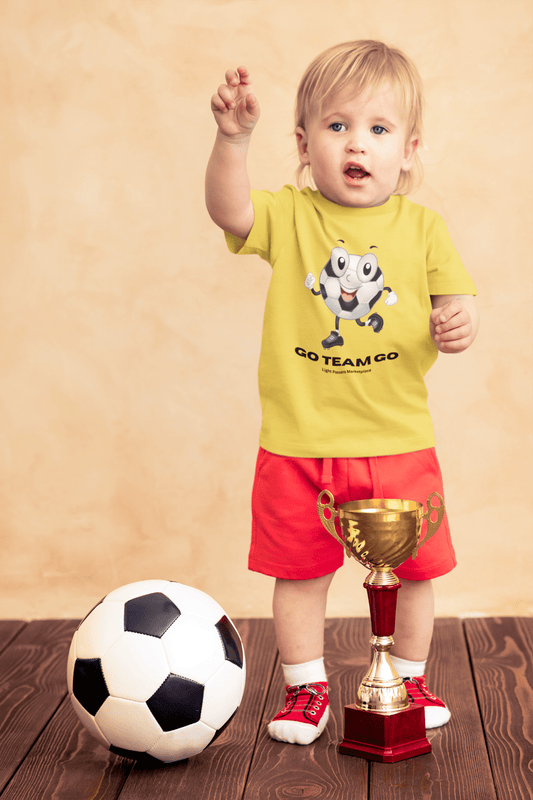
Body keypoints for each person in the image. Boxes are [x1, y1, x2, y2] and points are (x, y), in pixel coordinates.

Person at [205, 40, 478, 746]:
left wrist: (456, 323)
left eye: (378, 129)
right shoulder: (291, 217)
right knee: (298, 576)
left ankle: (407, 677)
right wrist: (232, 141)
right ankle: (306, 687)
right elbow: (229, 212)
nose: (357, 144)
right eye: (336, 126)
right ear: (302, 143)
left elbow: (459, 304)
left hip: (396, 442)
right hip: (300, 444)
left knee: (413, 571)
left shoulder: (422, 228)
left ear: (408, 151)